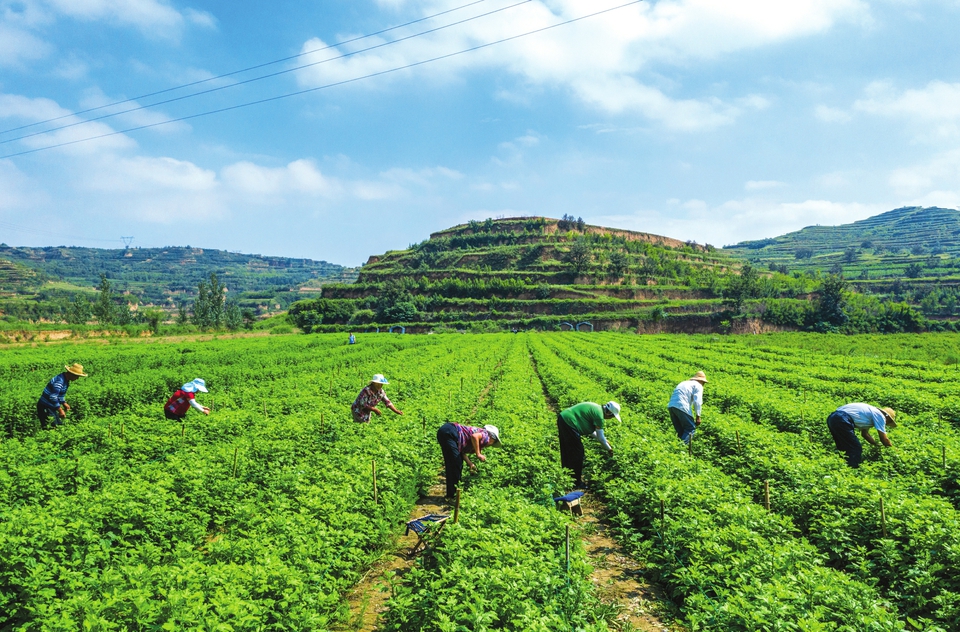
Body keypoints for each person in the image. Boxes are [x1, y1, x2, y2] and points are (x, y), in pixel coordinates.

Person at [557, 401, 619, 489]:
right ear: (609, 413)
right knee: (577, 453)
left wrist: (605, 441)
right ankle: (576, 483)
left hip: (563, 418)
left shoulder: (596, 409)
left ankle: (566, 475)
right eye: (612, 416)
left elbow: (593, 432)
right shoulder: (599, 417)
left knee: (567, 449)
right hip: (569, 422)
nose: (611, 418)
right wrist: (609, 449)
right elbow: (600, 438)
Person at [436, 422, 501, 499]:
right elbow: (474, 436)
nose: (490, 445)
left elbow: (461, 452)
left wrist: (470, 464)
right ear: (492, 438)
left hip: (446, 431)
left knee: (452, 463)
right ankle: (453, 495)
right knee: (456, 464)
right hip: (450, 432)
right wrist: (478, 454)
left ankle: (451, 495)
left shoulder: (477, 440)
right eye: (493, 443)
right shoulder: (486, 436)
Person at [826, 403, 897, 468]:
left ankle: (841, 467)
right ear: (887, 417)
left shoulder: (870, 413)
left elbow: (865, 434)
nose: (887, 423)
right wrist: (892, 450)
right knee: (855, 448)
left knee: (843, 447)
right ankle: (852, 470)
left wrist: (875, 444)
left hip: (832, 418)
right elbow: (884, 439)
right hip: (842, 419)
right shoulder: (880, 416)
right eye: (890, 421)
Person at [37, 363, 87, 429]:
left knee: (59, 425)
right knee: (51, 427)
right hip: (45, 405)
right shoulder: (59, 381)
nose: (77, 378)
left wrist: (64, 403)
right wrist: (60, 410)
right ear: (71, 374)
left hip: (51, 405)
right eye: (76, 376)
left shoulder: (65, 380)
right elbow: (53, 397)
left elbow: (60, 394)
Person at [668, 371, 708, 444]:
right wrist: (698, 416)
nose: (703, 384)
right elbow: (697, 401)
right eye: (703, 382)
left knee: (681, 431)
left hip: (671, 406)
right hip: (681, 406)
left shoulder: (684, 383)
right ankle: (680, 448)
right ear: (700, 381)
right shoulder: (698, 385)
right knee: (690, 428)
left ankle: (675, 447)